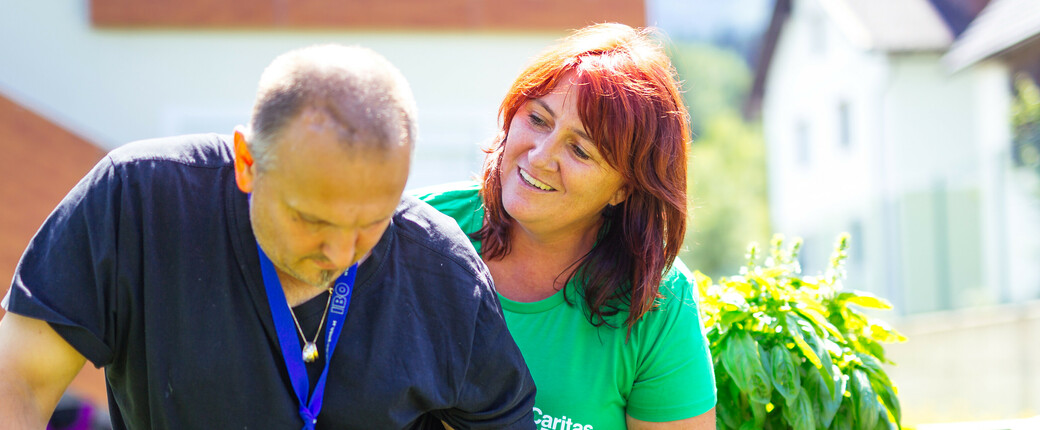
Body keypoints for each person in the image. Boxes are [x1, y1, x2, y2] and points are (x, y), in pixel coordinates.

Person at [0, 44, 535, 429]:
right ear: (249, 163)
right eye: (313, 220)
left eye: (371, 222)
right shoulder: (138, 199)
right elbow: (18, 382)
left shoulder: (443, 271)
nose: (340, 253)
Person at [416, 24, 716, 429]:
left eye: (579, 149)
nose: (540, 156)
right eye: (538, 119)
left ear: (624, 188)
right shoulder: (417, 232)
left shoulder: (657, 302)